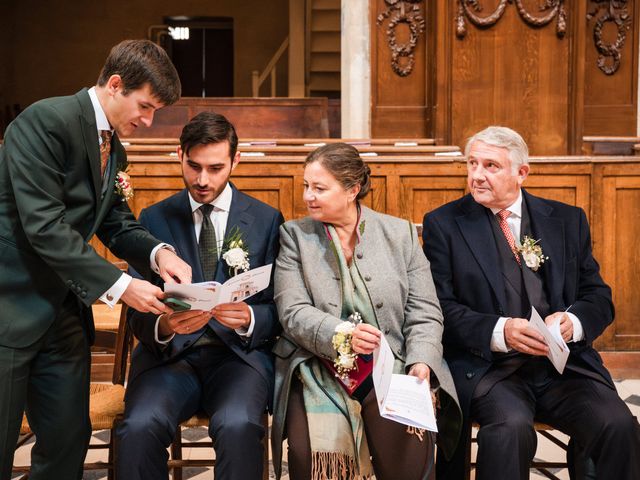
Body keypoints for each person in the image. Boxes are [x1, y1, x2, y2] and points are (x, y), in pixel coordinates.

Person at [0, 39, 192, 480]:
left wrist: (158, 253)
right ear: (116, 84)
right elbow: (44, 227)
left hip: (63, 314)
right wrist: (124, 287)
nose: (147, 120)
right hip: (11, 306)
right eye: (144, 106)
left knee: (68, 439)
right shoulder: (46, 121)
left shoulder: (113, 147)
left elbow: (116, 223)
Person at [422, 126, 640, 480]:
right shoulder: (444, 224)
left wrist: (574, 323)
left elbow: (597, 296)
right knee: (510, 429)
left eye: (490, 165)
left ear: (521, 173)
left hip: (563, 369)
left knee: (617, 424)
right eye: (472, 163)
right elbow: (440, 308)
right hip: (490, 370)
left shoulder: (567, 220)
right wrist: (501, 331)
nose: (476, 175)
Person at [272, 143, 462, 480]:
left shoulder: (399, 234)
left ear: (352, 190)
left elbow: (426, 311)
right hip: (319, 367)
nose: (308, 196)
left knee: (408, 448)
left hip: (392, 367)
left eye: (319, 188)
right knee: (308, 452)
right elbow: (293, 312)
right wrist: (342, 335)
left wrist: (421, 361)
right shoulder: (294, 236)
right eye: (306, 186)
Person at [116, 112, 284, 480]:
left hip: (238, 359)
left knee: (239, 425)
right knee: (139, 426)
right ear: (179, 155)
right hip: (169, 360)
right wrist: (164, 323)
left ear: (235, 161)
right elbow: (136, 311)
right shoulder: (153, 219)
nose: (203, 180)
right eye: (193, 166)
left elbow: (281, 308)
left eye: (215, 167)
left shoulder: (267, 219)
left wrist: (250, 319)